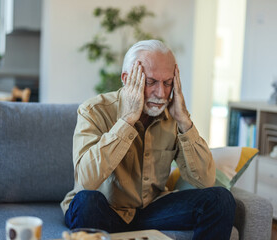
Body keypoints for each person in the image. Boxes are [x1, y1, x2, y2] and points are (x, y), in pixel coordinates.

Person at [61, 40, 235, 240]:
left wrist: (184, 120)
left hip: (151, 211)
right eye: (151, 82)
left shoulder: (174, 117)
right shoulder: (94, 111)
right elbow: (86, 180)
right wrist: (127, 121)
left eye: (167, 83)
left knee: (221, 199)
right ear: (127, 79)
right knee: (86, 202)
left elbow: (205, 180)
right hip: (105, 210)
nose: (160, 93)